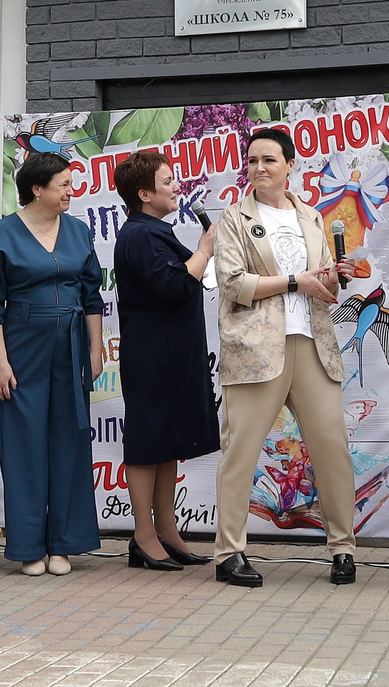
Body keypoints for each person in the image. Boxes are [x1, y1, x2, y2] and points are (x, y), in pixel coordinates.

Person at [209, 127, 360, 590]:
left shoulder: (313, 218)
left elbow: (326, 288)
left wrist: (336, 278)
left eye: (269, 160)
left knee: (331, 448)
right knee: (240, 453)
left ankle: (343, 547)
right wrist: (297, 280)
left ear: (291, 165)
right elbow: (233, 284)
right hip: (256, 351)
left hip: (313, 344)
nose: (259, 168)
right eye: (252, 160)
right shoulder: (235, 218)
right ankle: (229, 552)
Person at [0, 151, 106, 577]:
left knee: (69, 442)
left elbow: (91, 295)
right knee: (23, 445)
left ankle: (64, 544)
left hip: (70, 344)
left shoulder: (79, 232)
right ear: (37, 188)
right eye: (64, 185)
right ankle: (29, 546)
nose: (72, 191)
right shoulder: (3, 234)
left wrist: (95, 349)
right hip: (21, 344)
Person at [110, 149, 218, 571]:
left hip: (173, 356)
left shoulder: (156, 231)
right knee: (146, 443)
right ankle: (143, 534)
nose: (177, 187)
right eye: (168, 181)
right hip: (153, 357)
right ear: (144, 193)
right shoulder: (139, 235)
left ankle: (167, 529)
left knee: (168, 442)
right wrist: (205, 249)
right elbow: (173, 285)